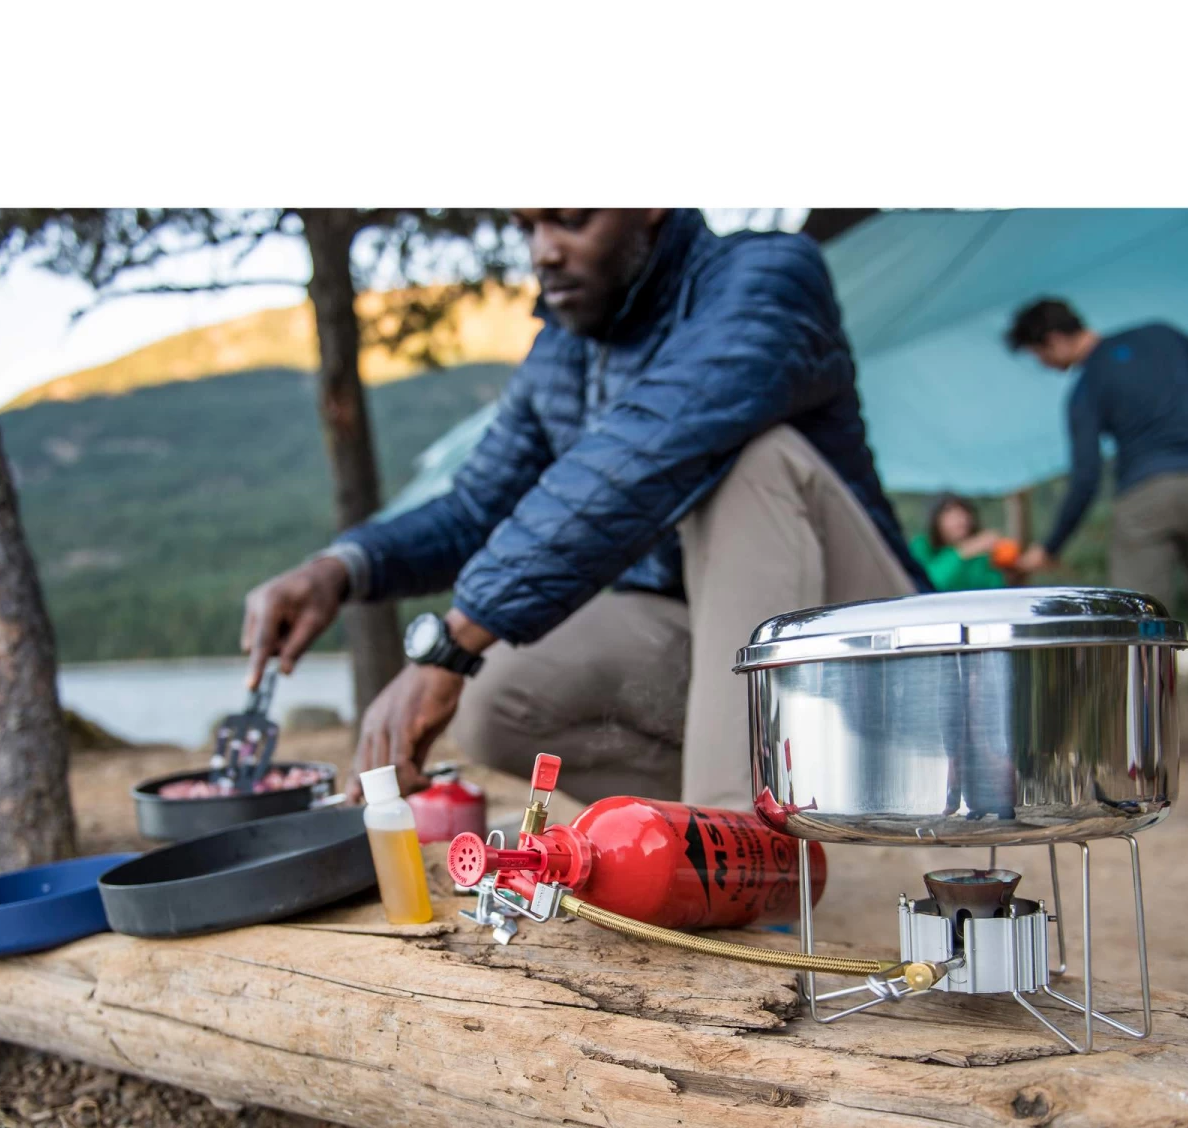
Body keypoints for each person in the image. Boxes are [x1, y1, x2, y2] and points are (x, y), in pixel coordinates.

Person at [242, 209, 927, 809]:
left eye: (571, 220)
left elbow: (645, 451)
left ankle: (736, 854)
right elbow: (478, 508)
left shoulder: (767, 278)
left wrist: (452, 643)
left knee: (752, 460)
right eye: (528, 227)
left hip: (861, 637)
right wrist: (339, 569)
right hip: (707, 635)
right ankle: (737, 826)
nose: (544, 251)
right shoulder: (563, 353)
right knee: (497, 701)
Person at [1005, 297, 1188, 765]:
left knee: (1136, 623)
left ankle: (1137, 748)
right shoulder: (1160, 334)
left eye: (1040, 356)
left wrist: (1049, 547)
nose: (1046, 366)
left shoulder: (1087, 387)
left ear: (1053, 340)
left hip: (1146, 496)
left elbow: (1086, 477)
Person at [910, 494, 1015, 590]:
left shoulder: (980, 554)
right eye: (951, 514)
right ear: (936, 519)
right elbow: (929, 582)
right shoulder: (922, 546)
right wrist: (964, 551)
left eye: (964, 514)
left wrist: (1012, 571)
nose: (961, 520)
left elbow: (994, 586)